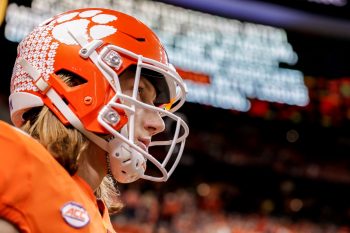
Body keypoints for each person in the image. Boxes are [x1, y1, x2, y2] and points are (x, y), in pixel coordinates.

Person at [0, 7, 189, 233]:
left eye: (155, 105)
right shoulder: (14, 167)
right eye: (138, 92)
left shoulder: (93, 211)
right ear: (74, 85)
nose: (158, 125)